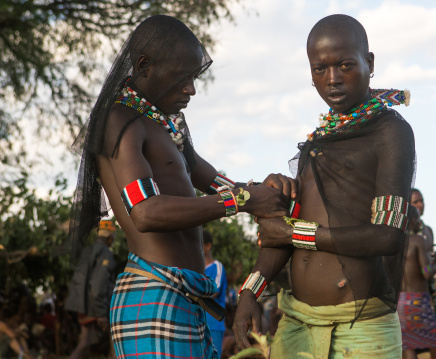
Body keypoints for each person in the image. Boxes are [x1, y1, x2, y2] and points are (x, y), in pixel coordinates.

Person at [67, 15, 293, 359]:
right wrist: (244, 200)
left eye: (193, 77)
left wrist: (265, 190)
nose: (191, 88)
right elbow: (145, 211)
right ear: (144, 66)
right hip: (153, 297)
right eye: (182, 77)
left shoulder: (165, 125)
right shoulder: (121, 120)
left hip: (182, 299)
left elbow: (214, 181)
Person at [233, 14, 415, 357]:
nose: (332, 79)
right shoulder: (317, 142)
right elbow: (277, 235)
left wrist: (293, 234)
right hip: (297, 322)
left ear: (369, 62)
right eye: (320, 69)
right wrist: (249, 294)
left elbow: (388, 235)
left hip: (359, 330)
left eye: (345, 65)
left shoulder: (390, 133)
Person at [397, 206, 436, 359]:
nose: (420, 222)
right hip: (418, 301)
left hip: (400, 303)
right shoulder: (418, 240)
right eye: (418, 219)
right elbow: (427, 273)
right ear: (413, 221)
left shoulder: (394, 241)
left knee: (408, 345)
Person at [66, 219, 117, 359]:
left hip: (82, 304)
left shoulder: (88, 250)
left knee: (83, 343)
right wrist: (101, 313)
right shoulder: (105, 254)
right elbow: (98, 285)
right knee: (114, 337)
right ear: (109, 238)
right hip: (94, 305)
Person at [202, 230, 227, 356]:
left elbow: (214, 292)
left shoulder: (217, 267)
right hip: (198, 323)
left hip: (213, 323)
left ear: (208, 246)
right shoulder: (197, 268)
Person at [411, 188, 434, 254]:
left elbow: (429, 259)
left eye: (422, 201)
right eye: (415, 202)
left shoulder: (428, 230)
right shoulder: (401, 231)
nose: (421, 205)